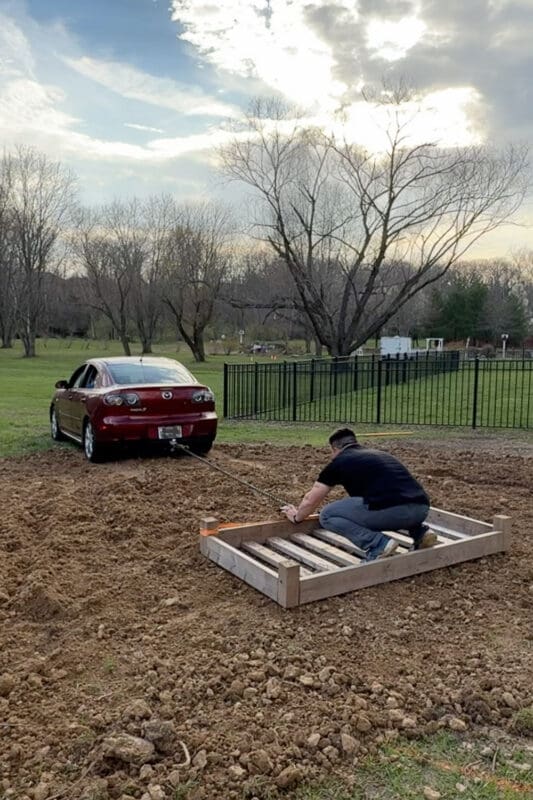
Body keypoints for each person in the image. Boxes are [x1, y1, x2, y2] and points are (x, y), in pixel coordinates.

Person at [281, 427, 437, 561]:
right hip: (421, 509)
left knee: (327, 515)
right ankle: (421, 533)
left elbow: (311, 499)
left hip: (393, 513)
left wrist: (297, 517)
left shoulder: (339, 462)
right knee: (389, 498)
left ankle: (378, 544)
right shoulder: (379, 455)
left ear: (335, 449)